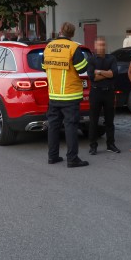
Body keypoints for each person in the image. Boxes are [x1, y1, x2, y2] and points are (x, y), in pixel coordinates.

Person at [42, 22, 90, 168]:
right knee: (70, 127)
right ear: (72, 34)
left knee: (54, 126)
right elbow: (82, 69)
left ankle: (53, 156)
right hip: (70, 95)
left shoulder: (49, 47)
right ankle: (72, 159)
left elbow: (44, 67)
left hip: (54, 95)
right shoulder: (73, 47)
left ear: (60, 31)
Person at [87, 37, 119, 155]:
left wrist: (99, 72)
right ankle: (93, 146)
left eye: (103, 45)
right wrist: (107, 74)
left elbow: (114, 74)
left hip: (109, 93)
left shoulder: (112, 58)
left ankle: (111, 144)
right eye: (99, 45)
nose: (101, 47)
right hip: (95, 93)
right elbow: (92, 77)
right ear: (95, 46)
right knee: (93, 121)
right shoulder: (91, 59)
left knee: (110, 120)